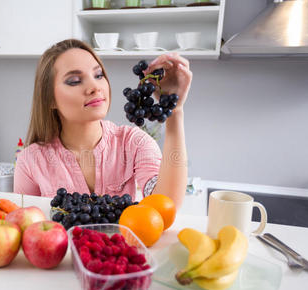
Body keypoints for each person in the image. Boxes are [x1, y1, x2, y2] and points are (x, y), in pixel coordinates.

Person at [14, 39, 192, 209]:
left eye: (98, 75)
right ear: (50, 99)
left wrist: (175, 112)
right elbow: (27, 226)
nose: (95, 87)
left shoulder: (134, 143)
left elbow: (166, 204)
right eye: (75, 81)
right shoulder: (29, 161)